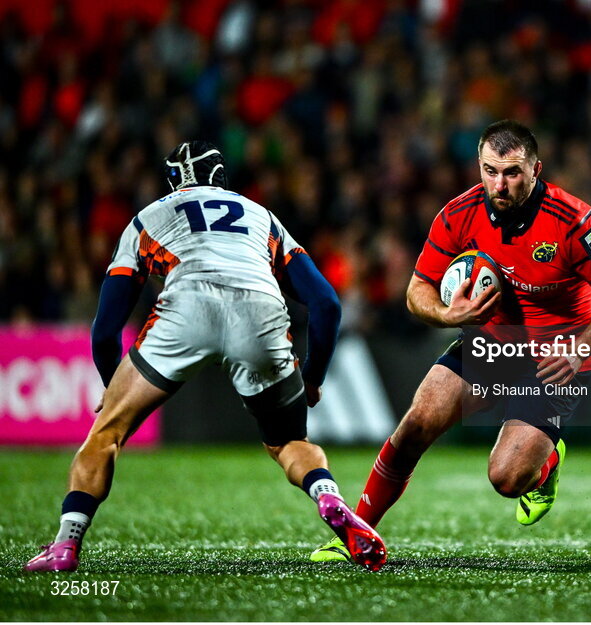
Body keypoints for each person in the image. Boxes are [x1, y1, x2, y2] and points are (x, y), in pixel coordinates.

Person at [24, 141, 387, 573]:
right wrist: (311, 377)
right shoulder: (260, 215)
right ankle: (328, 498)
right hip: (261, 309)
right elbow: (326, 303)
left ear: (173, 180)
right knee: (289, 442)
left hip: (186, 307)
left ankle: (65, 545)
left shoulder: (148, 217)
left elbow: (104, 328)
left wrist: (113, 386)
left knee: (106, 435)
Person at [311, 120, 591, 562]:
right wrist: (448, 314)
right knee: (415, 425)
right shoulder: (457, 214)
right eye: (490, 171)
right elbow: (416, 293)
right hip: (490, 343)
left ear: (536, 169)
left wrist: (580, 347)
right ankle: (353, 534)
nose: (499, 184)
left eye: (512, 173)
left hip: (553, 357)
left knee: (506, 478)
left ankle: (545, 465)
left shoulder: (573, 221)